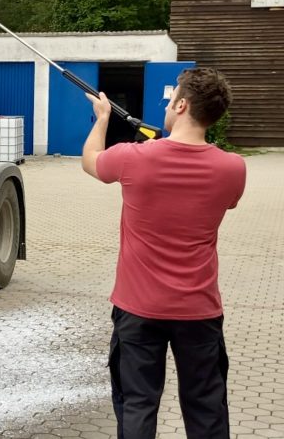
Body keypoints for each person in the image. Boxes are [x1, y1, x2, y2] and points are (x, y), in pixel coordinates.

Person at [81, 67, 246, 439]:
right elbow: (228, 203)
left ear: (183, 104)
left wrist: (103, 118)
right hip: (199, 312)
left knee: (138, 404)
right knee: (207, 409)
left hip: (138, 310)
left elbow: (91, 160)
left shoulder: (131, 157)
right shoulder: (234, 169)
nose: (167, 105)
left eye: (171, 99)